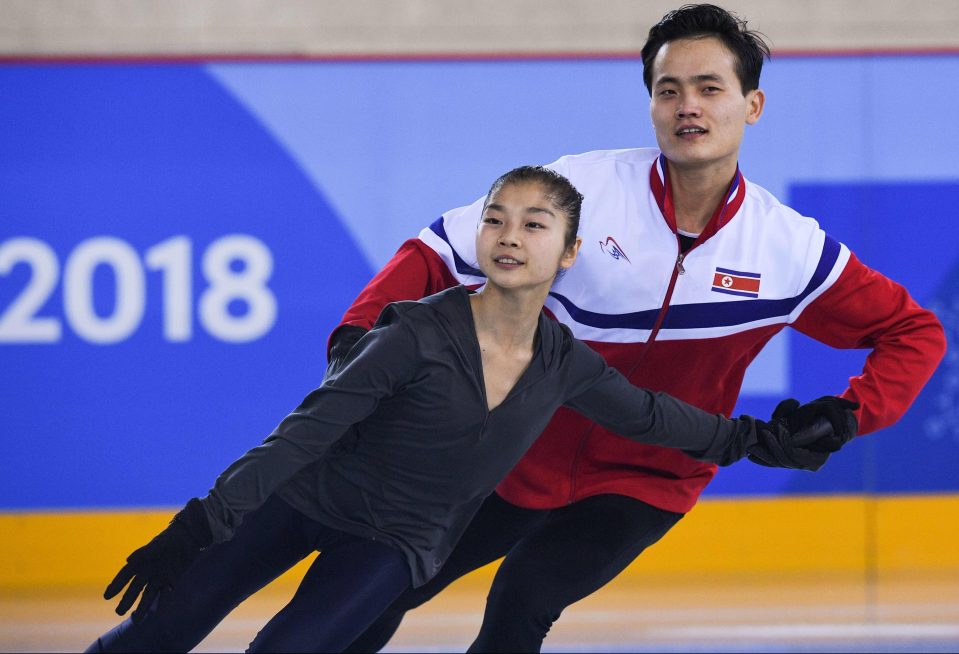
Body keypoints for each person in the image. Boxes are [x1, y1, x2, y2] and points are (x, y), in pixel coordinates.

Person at [338, 5, 948, 653]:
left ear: (752, 105)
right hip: (505, 453)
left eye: (709, 88)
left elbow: (911, 331)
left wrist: (850, 415)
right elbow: (433, 255)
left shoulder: (786, 249)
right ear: (652, 106)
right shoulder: (575, 191)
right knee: (376, 586)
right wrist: (356, 345)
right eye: (668, 90)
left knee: (525, 597)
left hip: (646, 479)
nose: (688, 105)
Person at [86, 166, 851, 654]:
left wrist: (757, 438)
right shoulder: (412, 334)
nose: (509, 236)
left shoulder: (563, 365)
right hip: (300, 500)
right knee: (160, 633)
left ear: (570, 253)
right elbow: (300, 436)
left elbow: (654, 417)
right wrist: (200, 523)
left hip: (392, 546)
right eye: (495, 219)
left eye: (534, 223)